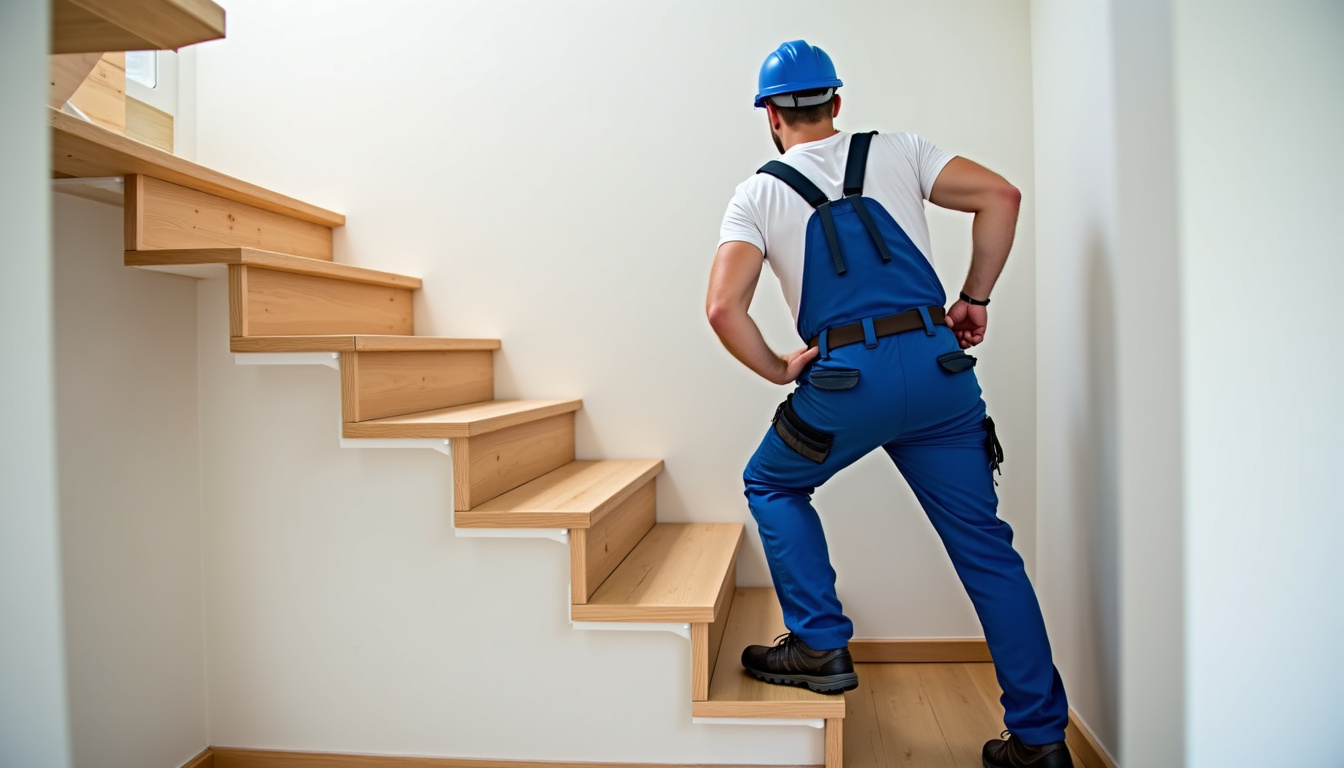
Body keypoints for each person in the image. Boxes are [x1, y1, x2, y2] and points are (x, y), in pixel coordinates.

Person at [705, 40, 1073, 768]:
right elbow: (1001, 197)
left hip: (847, 384)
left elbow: (723, 308)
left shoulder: (757, 195)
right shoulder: (901, 151)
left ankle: (819, 643)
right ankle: (1041, 740)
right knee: (988, 553)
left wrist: (779, 368)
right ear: (836, 103)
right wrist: (973, 299)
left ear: (771, 116)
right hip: (940, 373)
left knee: (772, 482)